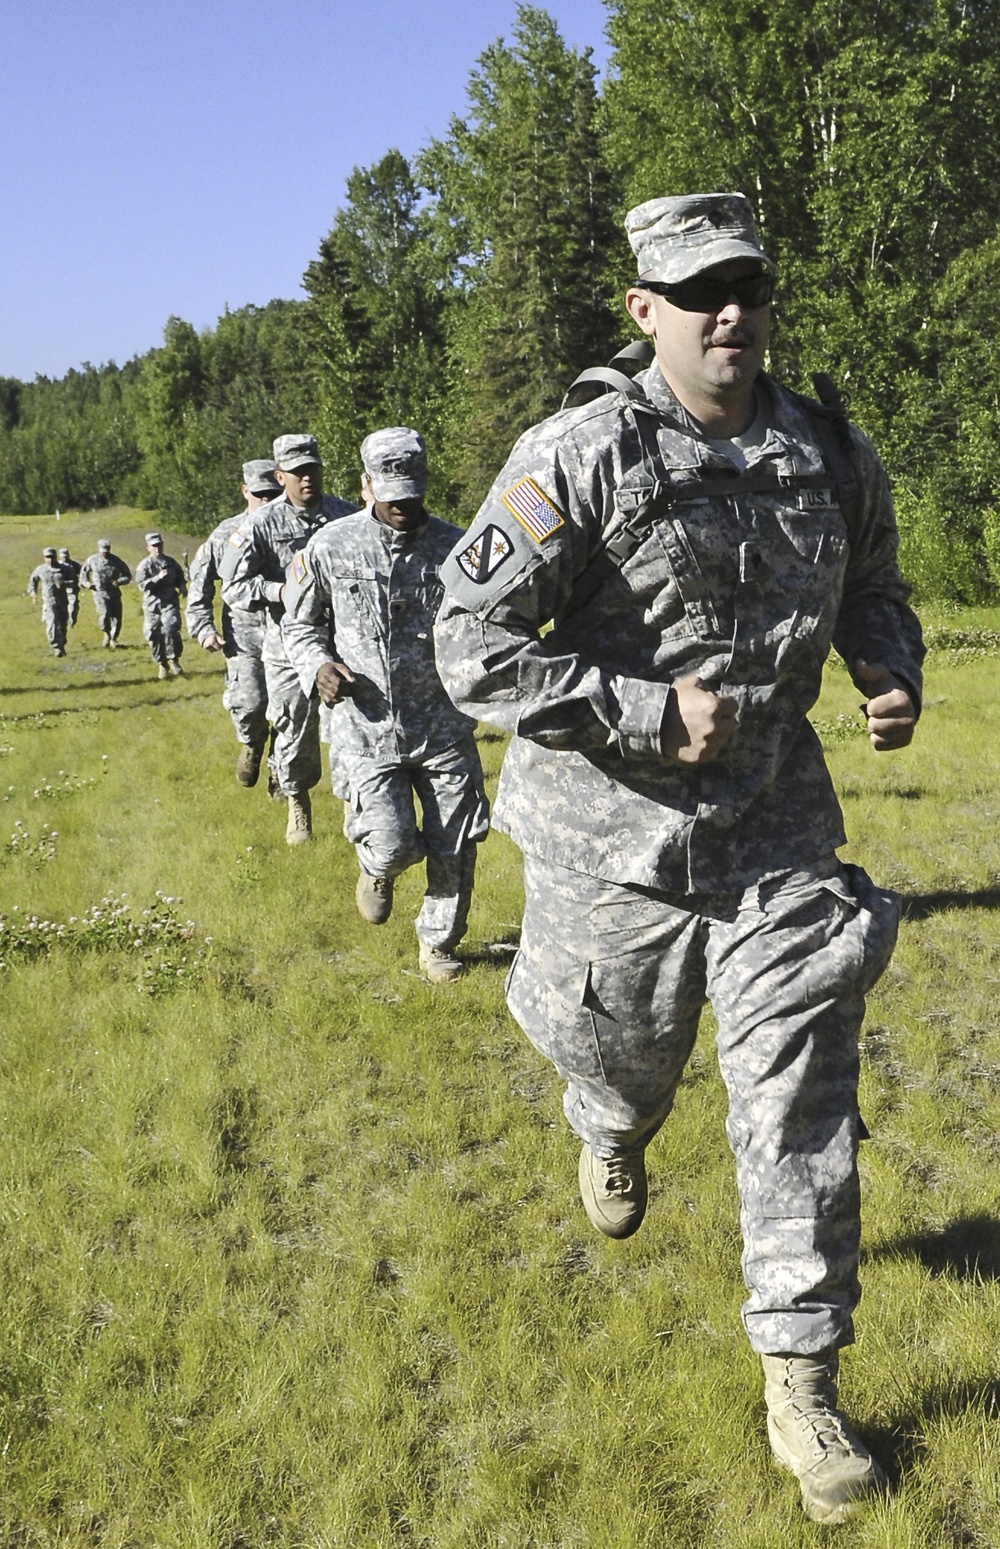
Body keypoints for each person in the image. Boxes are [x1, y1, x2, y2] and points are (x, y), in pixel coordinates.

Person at [434, 193, 925, 1524]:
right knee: (621, 1063)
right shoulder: (579, 454)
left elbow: (875, 580)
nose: (730, 314)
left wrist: (888, 662)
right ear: (644, 307)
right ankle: (609, 1125)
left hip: (777, 839)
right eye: (698, 289)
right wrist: (646, 711)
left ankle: (801, 1381)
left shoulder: (826, 448)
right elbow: (469, 642)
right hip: (614, 854)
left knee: (797, 1108)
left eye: (748, 287)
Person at [283, 428, 489, 981]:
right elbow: (299, 627)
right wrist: (318, 667)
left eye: (413, 494)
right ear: (365, 485)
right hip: (365, 728)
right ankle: (379, 867)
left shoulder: (456, 549)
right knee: (396, 844)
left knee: (456, 841)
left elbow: (490, 625)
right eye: (391, 494)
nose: (403, 507)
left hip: (443, 724)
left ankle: (439, 944)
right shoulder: (329, 546)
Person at [219, 433, 355, 844]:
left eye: (312, 469)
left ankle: (357, 806)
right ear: (280, 476)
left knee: (352, 725)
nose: (306, 479)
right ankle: (298, 803)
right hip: (285, 645)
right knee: (293, 726)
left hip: (343, 642)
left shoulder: (346, 516)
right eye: (297, 472)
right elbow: (234, 587)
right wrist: (278, 591)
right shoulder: (260, 524)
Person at [185, 459, 282, 787]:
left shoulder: (291, 528)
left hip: (286, 631)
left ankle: (281, 775)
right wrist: (203, 628)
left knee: (289, 709)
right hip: (243, 633)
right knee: (251, 704)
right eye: (260, 495)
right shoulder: (226, 533)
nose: (267, 501)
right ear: (245, 492)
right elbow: (199, 583)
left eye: (273, 493)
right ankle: (253, 743)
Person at [135, 531, 187, 678]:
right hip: (152, 606)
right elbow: (142, 586)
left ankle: (174, 660)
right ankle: (162, 664)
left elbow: (180, 577)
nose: (157, 548)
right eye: (154, 546)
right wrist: (157, 578)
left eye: (159, 545)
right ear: (148, 548)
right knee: (153, 634)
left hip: (169, 603)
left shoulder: (171, 563)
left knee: (171, 629)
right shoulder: (144, 565)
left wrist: (182, 586)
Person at [80, 538, 132, 647]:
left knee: (116, 617)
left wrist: (119, 581)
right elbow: (83, 575)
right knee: (104, 613)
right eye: (103, 550)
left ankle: (114, 638)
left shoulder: (116, 561)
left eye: (106, 550)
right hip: (99, 592)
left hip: (114, 593)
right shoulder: (92, 560)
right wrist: (87, 584)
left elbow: (128, 575)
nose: (104, 553)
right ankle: (106, 634)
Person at [27, 547, 69, 655]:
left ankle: (62, 642)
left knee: (62, 624)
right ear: (44, 558)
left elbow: (76, 581)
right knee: (52, 622)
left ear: (55, 557)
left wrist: (64, 583)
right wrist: (33, 594)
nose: (49, 559)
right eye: (47, 557)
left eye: (51, 557)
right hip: (49, 601)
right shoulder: (41, 569)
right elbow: (33, 582)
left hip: (63, 600)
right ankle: (56, 646)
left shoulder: (64, 569)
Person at [57, 548, 81, 627]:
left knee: (73, 607)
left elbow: (82, 572)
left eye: (66, 556)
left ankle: (71, 622)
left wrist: (81, 581)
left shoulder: (74, 565)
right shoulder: (57, 566)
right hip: (61, 591)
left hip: (72, 590)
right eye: (63, 556)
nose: (64, 558)